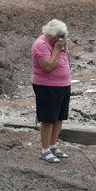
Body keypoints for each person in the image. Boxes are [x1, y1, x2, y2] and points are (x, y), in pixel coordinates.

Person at [31, 19, 71, 163]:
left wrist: (64, 49)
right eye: (60, 36)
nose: (62, 39)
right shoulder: (41, 45)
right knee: (48, 119)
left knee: (59, 117)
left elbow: (67, 60)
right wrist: (55, 50)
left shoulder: (59, 44)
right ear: (53, 35)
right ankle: (45, 150)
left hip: (63, 85)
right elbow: (48, 67)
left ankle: (53, 145)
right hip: (47, 86)